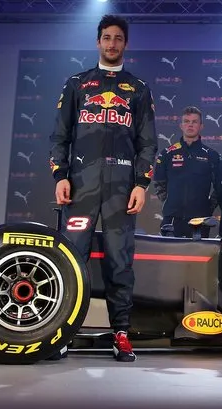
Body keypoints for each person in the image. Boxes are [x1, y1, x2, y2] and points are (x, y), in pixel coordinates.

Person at [49, 14, 157, 362]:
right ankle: (62, 331)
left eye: (118, 38)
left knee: (119, 263)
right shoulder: (77, 83)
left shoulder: (138, 88)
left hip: (121, 191)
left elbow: (148, 143)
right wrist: (60, 175)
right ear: (98, 42)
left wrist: (141, 184)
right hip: (80, 188)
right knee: (71, 260)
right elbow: (60, 136)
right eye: (107, 37)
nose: (112, 43)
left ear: (126, 44)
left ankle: (121, 333)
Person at [152, 106, 221, 237]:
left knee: (198, 251)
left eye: (194, 122)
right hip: (172, 218)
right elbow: (159, 183)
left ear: (201, 126)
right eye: (186, 121)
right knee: (169, 250)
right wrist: (170, 202)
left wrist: (208, 207)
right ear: (181, 125)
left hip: (200, 219)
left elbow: (219, 186)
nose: (190, 125)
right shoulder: (167, 153)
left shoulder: (212, 155)